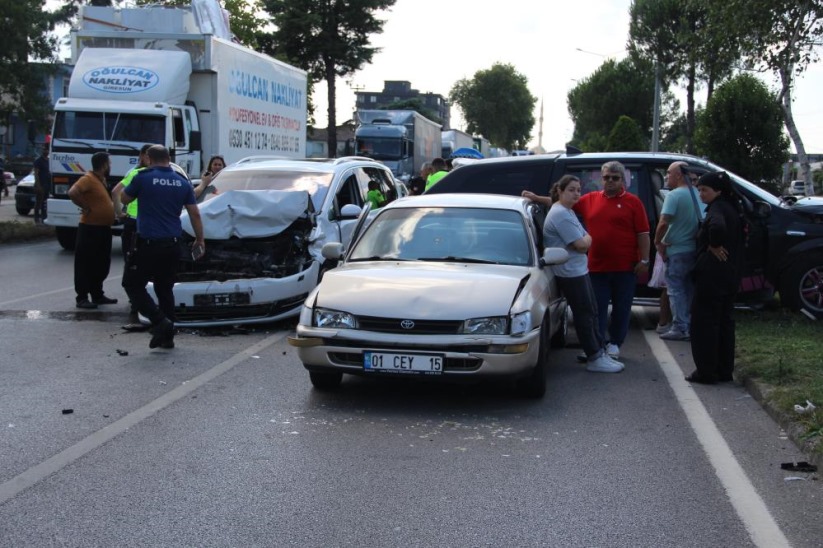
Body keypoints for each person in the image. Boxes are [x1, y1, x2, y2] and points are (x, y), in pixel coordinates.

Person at [121, 146, 205, 349]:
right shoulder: (182, 181)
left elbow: (124, 198)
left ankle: (160, 321)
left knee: (132, 284)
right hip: (173, 245)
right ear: (169, 158)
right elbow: (194, 213)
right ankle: (167, 338)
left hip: (148, 244)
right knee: (165, 289)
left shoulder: (143, 177)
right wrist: (200, 239)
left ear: (149, 158)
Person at [542, 175, 623, 373]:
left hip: (578, 269)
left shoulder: (567, 211)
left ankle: (597, 352)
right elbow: (580, 245)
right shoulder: (560, 214)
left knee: (592, 311)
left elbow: (584, 239)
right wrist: (587, 239)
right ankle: (594, 357)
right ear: (559, 191)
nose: (576, 193)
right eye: (571, 189)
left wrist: (586, 239)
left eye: (579, 190)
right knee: (584, 314)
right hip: (570, 272)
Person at [574, 161, 650, 359]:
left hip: (626, 268)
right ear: (601, 178)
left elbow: (643, 234)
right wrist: (536, 198)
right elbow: (564, 203)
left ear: (623, 180)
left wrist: (645, 260)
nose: (610, 181)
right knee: (595, 309)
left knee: (621, 308)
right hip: (596, 267)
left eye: (615, 178)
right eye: (606, 177)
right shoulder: (589, 199)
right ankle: (596, 346)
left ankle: (615, 343)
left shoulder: (633, 202)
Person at [686, 171, 745, 384]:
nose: (700, 194)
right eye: (699, 189)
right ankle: (723, 369)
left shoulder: (718, 209)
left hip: (712, 277)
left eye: (704, 190)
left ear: (718, 191)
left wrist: (713, 244)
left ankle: (706, 371)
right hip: (729, 275)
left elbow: (717, 227)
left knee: (704, 323)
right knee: (724, 322)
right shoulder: (732, 207)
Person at [654, 162, 705, 341]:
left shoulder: (674, 196)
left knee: (675, 290)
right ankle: (689, 325)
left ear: (678, 175)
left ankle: (680, 327)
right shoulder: (699, 195)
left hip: (677, 251)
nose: (666, 177)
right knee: (689, 289)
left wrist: (657, 241)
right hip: (695, 250)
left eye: (668, 173)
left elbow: (664, 222)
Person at [67, 152, 117, 309]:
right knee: (86, 263)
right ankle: (82, 297)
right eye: (109, 163)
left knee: (101, 263)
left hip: (103, 229)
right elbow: (73, 192)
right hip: (90, 228)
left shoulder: (100, 180)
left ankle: (97, 294)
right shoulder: (88, 179)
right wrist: (85, 206)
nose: (110, 166)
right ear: (103, 165)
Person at [111, 144, 152, 329]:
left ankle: (138, 304)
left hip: (133, 224)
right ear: (143, 156)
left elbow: (115, 192)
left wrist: (119, 213)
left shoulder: (137, 174)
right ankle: (140, 306)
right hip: (144, 225)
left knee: (133, 265)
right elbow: (115, 192)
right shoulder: (139, 173)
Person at [33, 146, 51, 224]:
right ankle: (36, 218)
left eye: (46, 149)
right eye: (44, 149)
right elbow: (36, 174)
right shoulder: (38, 161)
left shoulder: (49, 161)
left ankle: (44, 217)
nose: (45, 151)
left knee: (45, 202)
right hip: (41, 184)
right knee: (39, 202)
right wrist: (38, 185)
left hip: (47, 184)